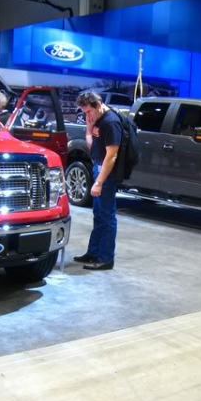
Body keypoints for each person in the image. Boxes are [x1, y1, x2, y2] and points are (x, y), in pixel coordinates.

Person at [73, 91, 122, 271]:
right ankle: (93, 252)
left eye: (89, 112)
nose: (88, 115)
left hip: (106, 173)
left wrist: (99, 182)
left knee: (107, 216)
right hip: (98, 168)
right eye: (84, 113)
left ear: (99, 103)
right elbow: (93, 146)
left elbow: (111, 157)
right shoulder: (98, 120)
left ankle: (106, 258)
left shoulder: (111, 122)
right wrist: (89, 126)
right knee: (98, 214)